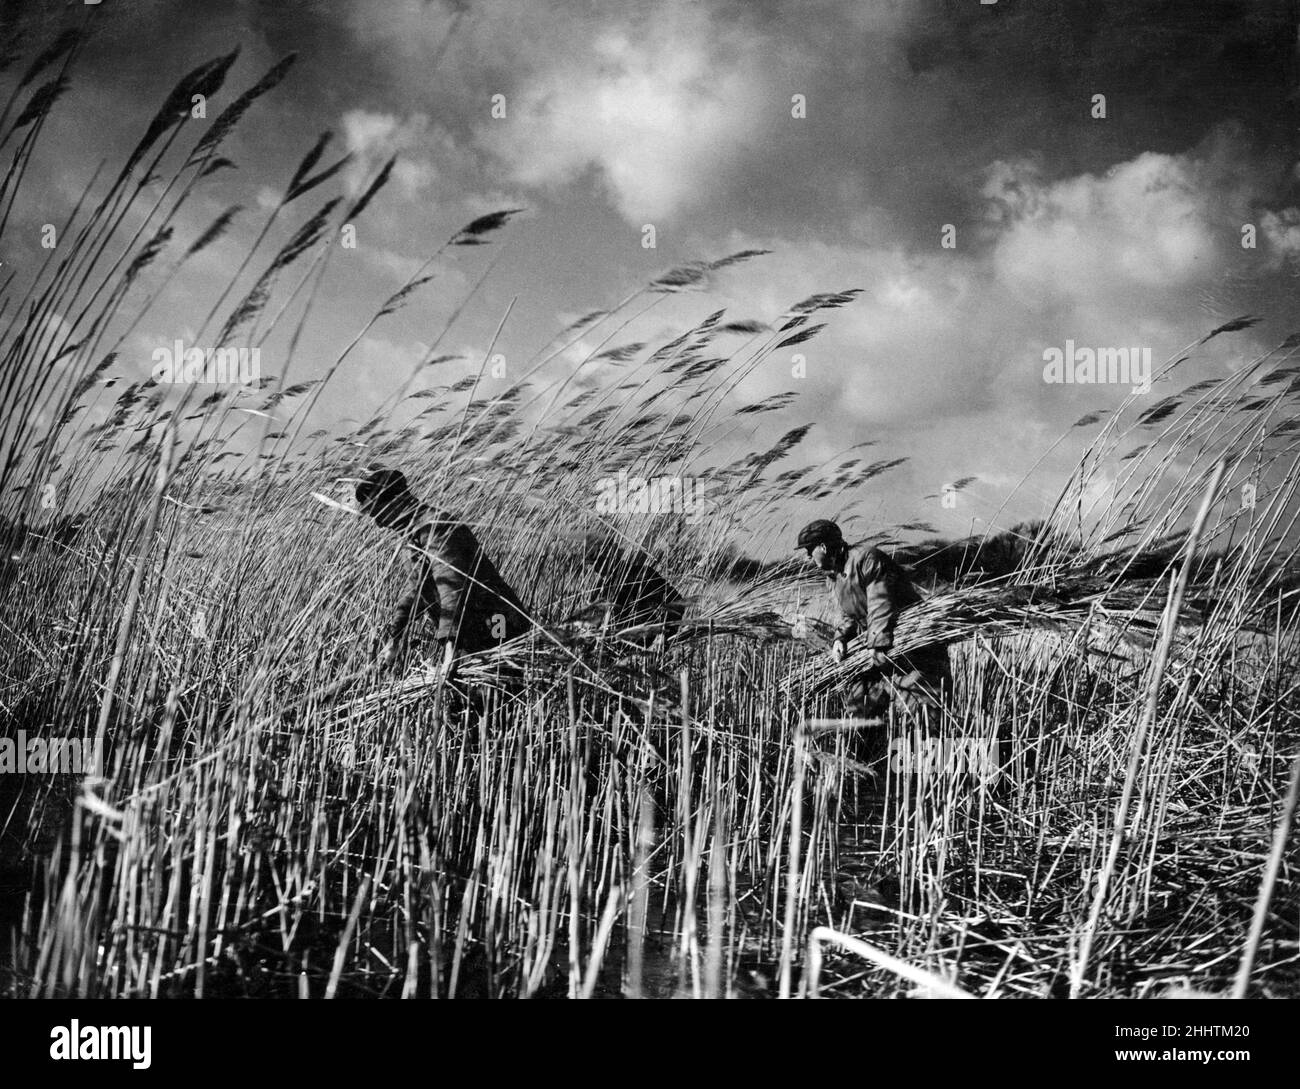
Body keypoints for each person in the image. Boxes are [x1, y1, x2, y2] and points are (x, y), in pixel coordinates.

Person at [355, 466, 531, 679]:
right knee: (473, 693)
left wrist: (450, 648)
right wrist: (394, 639)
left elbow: (451, 587)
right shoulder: (413, 534)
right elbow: (415, 589)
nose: (379, 524)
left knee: (501, 683)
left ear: (395, 502)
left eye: (379, 513)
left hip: (498, 620)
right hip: (473, 629)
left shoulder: (435, 527)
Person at [796, 518, 950, 725]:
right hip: (876, 648)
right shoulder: (832, 578)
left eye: (809, 550)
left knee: (924, 713)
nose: (807, 557)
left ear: (823, 546)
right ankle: (873, 754)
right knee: (860, 708)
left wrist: (877, 644)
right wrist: (840, 639)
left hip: (911, 648)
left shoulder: (867, 559)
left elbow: (880, 602)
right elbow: (848, 615)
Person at [579, 531, 686, 651]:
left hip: (645, 649)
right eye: (592, 563)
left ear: (612, 555)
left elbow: (677, 602)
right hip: (613, 652)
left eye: (597, 560)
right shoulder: (600, 588)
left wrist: (664, 634)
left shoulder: (643, 574)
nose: (595, 568)